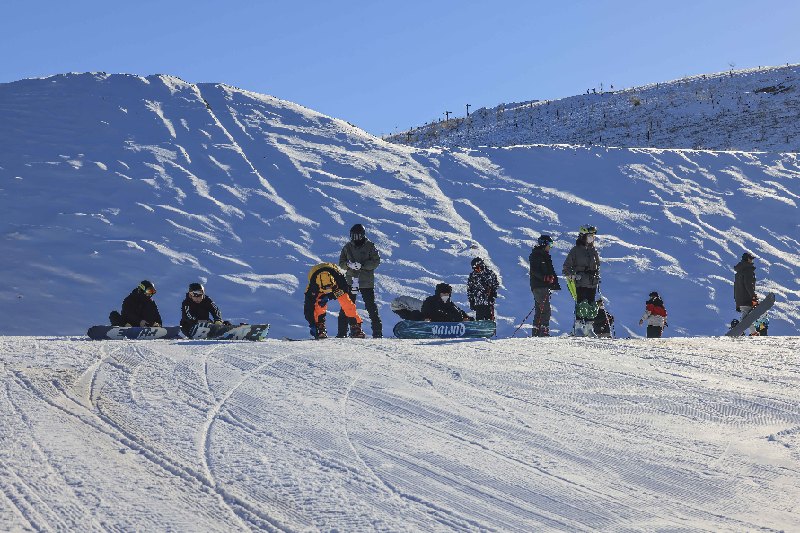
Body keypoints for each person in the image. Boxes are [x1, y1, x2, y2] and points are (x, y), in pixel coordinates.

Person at [339, 224, 382, 338]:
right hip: (351, 280)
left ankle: (377, 333)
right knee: (346, 307)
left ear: (362, 235)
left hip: (366, 281)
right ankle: (341, 333)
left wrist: (362, 266)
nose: (355, 238)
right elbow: (341, 263)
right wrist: (349, 265)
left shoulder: (370, 246)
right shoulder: (347, 247)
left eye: (357, 236)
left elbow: (376, 261)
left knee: (371, 307)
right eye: (353, 236)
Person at [304, 263, 364, 339]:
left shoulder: (338, 276)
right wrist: (312, 324)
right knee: (318, 305)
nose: (327, 290)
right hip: (318, 284)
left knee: (347, 304)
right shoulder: (313, 286)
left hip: (336, 287)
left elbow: (345, 288)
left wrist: (330, 296)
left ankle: (355, 327)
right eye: (325, 289)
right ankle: (319, 327)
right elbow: (308, 308)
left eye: (329, 287)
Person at [562, 225, 601, 336]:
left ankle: (589, 328)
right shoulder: (575, 250)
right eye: (589, 236)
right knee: (582, 304)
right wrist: (572, 275)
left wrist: (597, 275)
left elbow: (597, 265)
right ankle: (578, 327)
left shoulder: (593, 250)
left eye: (593, 236)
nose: (592, 238)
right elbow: (566, 266)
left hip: (592, 282)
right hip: (581, 281)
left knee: (592, 305)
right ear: (583, 236)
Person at [529, 235, 561, 336]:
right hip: (539, 285)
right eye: (549, 244)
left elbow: (550, 271)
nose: (550, 247)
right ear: (544, 244)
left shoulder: (544, 255)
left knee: (540, 309)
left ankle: (536, 331)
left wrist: (554, 283)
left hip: (542, 286)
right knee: (545, 309)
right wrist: (545, 278)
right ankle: (543, 330)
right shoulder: (537, 255)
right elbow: (534, 271)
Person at [734, 252, 758, 335]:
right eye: (751, 259)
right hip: (746, 297)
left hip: (739, 297)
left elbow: (736, 287)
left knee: (746, 316)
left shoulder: (739, 272)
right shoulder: (748, 270)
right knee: (746, 317)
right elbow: (748, 285)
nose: (752, 260)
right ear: (748, 259)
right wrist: (753, 296)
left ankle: (752, 332)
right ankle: (741, 331)